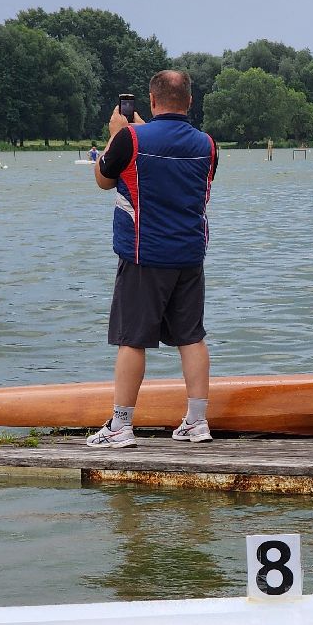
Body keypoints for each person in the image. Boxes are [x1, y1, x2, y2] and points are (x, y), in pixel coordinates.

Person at [89, 69, 219, 448]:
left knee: (132, 340)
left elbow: (104, 179)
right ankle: (197, 422)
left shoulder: (129, 138)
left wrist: (117, 133)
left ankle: (120, 426)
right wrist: (138, 132)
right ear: (190, 101)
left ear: (151, 99)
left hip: (143, 255)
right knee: (191, 337)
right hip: (189, 256)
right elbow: (172, 160)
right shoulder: (207, 145)